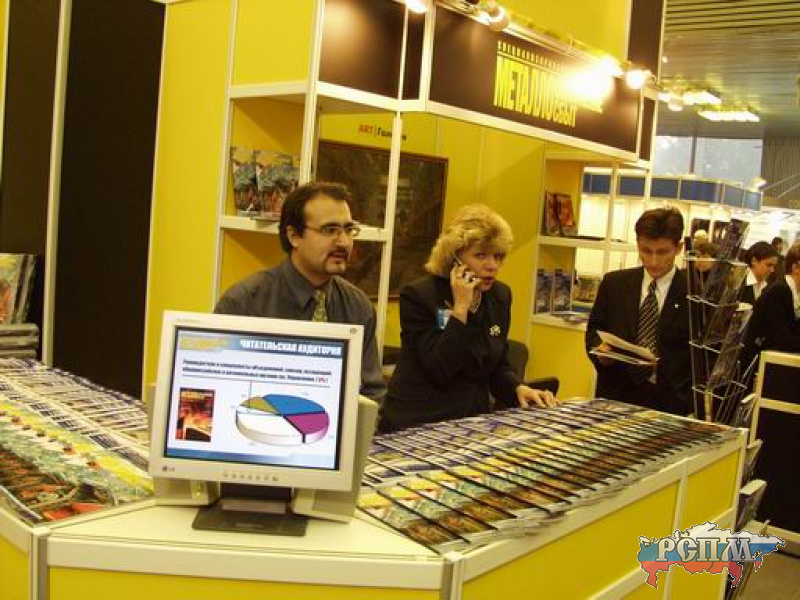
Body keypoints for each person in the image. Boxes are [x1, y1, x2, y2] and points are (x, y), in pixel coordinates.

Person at [379, 204, 556, 432]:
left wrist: (518, 388)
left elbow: (497, 365)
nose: (492, 266)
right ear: (454, 258)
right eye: (480, 255)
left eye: (498, 256)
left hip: (471, 422)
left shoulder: (500, 295)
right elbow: (440, 369)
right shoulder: (419, 296)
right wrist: (461, 307)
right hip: (417, 423)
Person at [215, 181, 386, 402]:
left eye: (348, 230)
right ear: (294, 235)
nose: (344, 242)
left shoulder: (358, 307)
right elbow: (218, 389)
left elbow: (372, 394)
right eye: (330, 230)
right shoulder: (244, 303)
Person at [586, 207, 691, 415]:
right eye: (646, 251)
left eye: (663, 252)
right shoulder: (614, 284)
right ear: (638, 244)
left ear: (678, 248)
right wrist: (600, 352)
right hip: (616, 396)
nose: (653, 261)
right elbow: (594, 331)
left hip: (669, 404)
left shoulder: (693, 294)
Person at [742, 242, 800, 369]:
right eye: (769, 265)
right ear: (795, 267)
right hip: (750, 358)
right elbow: (781, 338)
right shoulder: (778, 291)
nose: (772, 270)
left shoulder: (774, 288)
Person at [739, 241, 779, 306]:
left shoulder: (769, 285)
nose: (772, 270)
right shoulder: (739, 284)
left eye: (773, 266)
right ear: (754, 261)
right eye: (768, 265)